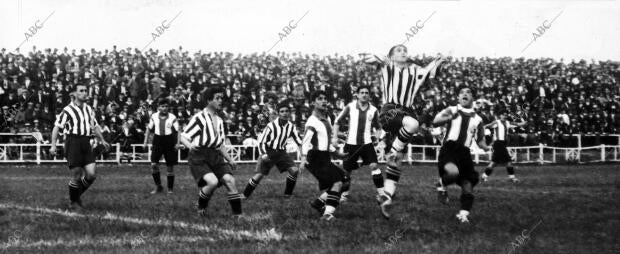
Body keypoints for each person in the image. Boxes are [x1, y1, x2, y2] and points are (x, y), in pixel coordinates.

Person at [363, 45, 447, 219]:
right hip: (391, 111)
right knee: (413, 125)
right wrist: (373, 57)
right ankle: (393, 151)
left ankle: (386, 197)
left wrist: (439, 61)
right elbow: (369, 59)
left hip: (406, 112)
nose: (404, 52)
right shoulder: (388, 65)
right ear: (392, 55)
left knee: (398, 161)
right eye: (399, 50)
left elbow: (430, 72)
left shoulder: (415, 69)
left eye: (405, 50)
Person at [179, 87, 242, 216]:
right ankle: (201, 208)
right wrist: (190, 146)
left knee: (230, 180)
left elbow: (220, 144)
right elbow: (183, 137)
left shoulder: (219, 120)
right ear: (209, 100)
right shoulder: (199, 117)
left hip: (215, 155)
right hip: (199, 156)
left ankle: (238, 215)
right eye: (217, 98)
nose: (220, 101)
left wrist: (230, 160)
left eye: (221, 98)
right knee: (212, 182)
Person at [432, 86, 490, 223]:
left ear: (473, 98)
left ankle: (463, 215)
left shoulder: (478, 119)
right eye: (462, 93)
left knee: (468, 185)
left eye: (468, 92)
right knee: (452, 173)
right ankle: (441, 183)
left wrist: (488, 150)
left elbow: (481, 141)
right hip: (449, 149)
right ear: (458, 98)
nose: (465, 94)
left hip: (465, 153)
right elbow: (435, 122)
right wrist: (447, 117)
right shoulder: (452, 109)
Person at [49, 84, 110, 210]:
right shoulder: (68, 110)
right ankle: (74, 202)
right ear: (75, 94)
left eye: (86, 91)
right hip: (73, 142)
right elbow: (57, 127)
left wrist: (102, 140)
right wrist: (53, 145)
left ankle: (75, 196)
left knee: (91, 175)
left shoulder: (89, 109)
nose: (84, 93)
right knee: (76, 175)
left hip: (86, 142)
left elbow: (95, 126)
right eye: (81, 91)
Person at [332, 85, 384, 202]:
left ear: (369, 95)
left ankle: (382, 194)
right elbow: (337, 122)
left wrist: (377, 138)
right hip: (350, 144)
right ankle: (344, 194)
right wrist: (334, 138)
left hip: (367, 144)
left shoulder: (374, 110)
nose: (364, 94)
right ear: (357, 94)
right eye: (362, 92)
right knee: (346, 171)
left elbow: (379, 127)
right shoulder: (350, 107)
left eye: (366, 92)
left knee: (374, 166)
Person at [303, 90, 349, 221]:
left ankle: (318, 204)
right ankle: (327, 215)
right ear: (313, 103)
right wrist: (302, 158)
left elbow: (326, 141)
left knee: (345, 181)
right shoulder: (312, 121)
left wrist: (338, 154)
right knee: (337, 183)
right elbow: (305, 141)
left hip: (324, 157)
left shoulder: (327, 119)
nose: (324, 101)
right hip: (314, 158)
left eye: (325, 98)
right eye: (320, 99)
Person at [242, 102, 303, 199]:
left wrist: (304, 157)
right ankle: (245, 194)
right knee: (259, 175)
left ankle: (287, 194)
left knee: (294, 171)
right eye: (282, 111)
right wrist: (264, 154)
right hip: (269, 151)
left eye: (287, 111)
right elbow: (261, 142)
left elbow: (299, 141)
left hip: (281, 152)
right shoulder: (271, 126)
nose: (284, 113)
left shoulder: (291, 126)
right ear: (278, 113)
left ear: (289, 113)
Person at [143, 98, 181, 194]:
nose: (164, 108)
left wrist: (177, 143)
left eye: (166, 106)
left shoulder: (172, 117)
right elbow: (148, 129)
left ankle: (170, 189)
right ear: (158, 107)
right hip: (157, 141)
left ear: (168, 108)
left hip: (169, 141)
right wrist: (145, 142)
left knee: (170, 167)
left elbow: (178, 131)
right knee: (154, 164)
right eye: (162, 106)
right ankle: (158, 186)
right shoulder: (154, 116)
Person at [481, 110, 527, 183]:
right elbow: (487, 126)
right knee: (508, 161)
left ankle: (484, 176)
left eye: (505, 115)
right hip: (498, 144)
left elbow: (517, 124)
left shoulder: (507, 123)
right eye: (503, 115)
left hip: (502, 144)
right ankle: (512, 178)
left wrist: (524, 123)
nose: (504, 116)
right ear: (500, 115)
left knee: (494, 162)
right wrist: (482, 131)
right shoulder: (497, 122)